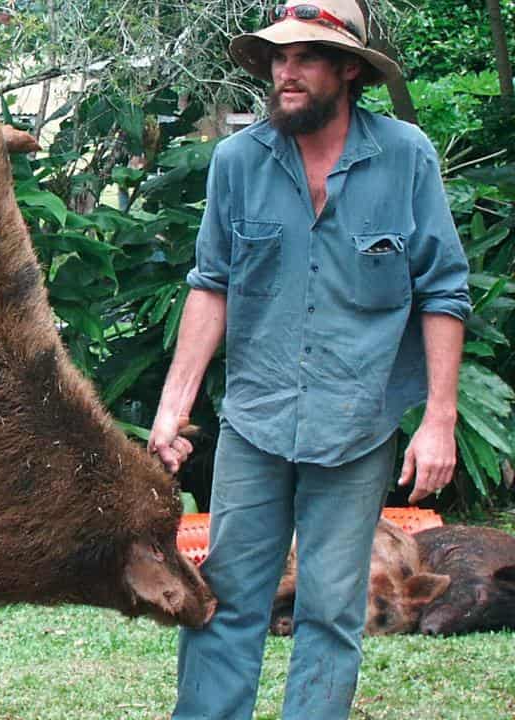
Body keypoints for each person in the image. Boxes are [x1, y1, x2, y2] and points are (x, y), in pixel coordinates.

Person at [148, 1, 470, 718]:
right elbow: (211, 286)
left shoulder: (405, 156)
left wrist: (439, 420)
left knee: (329, 611)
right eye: (278, 59)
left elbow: (443, 291)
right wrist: (175, 407)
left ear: (348, 69)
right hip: (256, 422)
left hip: (358, 423)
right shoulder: (238, 161)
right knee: (224, 599)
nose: (284, 73)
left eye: (305, 58)